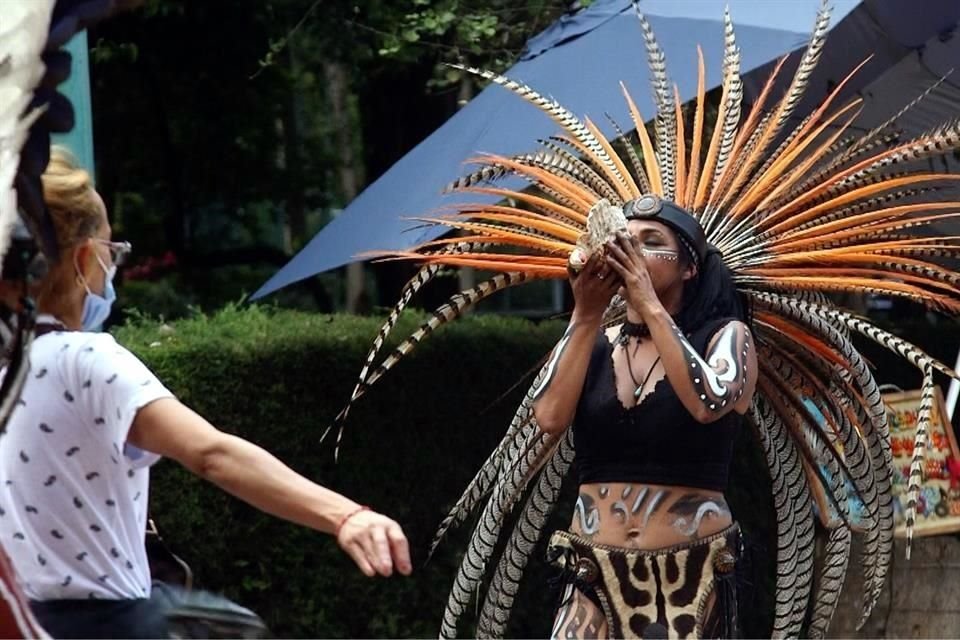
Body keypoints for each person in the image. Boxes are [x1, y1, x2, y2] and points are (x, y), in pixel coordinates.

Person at [0, 147, 412, 639]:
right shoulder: (84, 362)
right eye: (113, 253)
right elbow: (212, 453)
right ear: (86, 258)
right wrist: (346, 515)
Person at [532, 195, 756, 638]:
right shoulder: (596, 341)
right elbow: (548, 417)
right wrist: (586, 313)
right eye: (624, 240)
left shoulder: (727, 337)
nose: (630, 251)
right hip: (592, 569)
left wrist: (648, 302)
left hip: (690, 573)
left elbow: (708, 402)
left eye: (650, 242)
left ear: (689, 268)